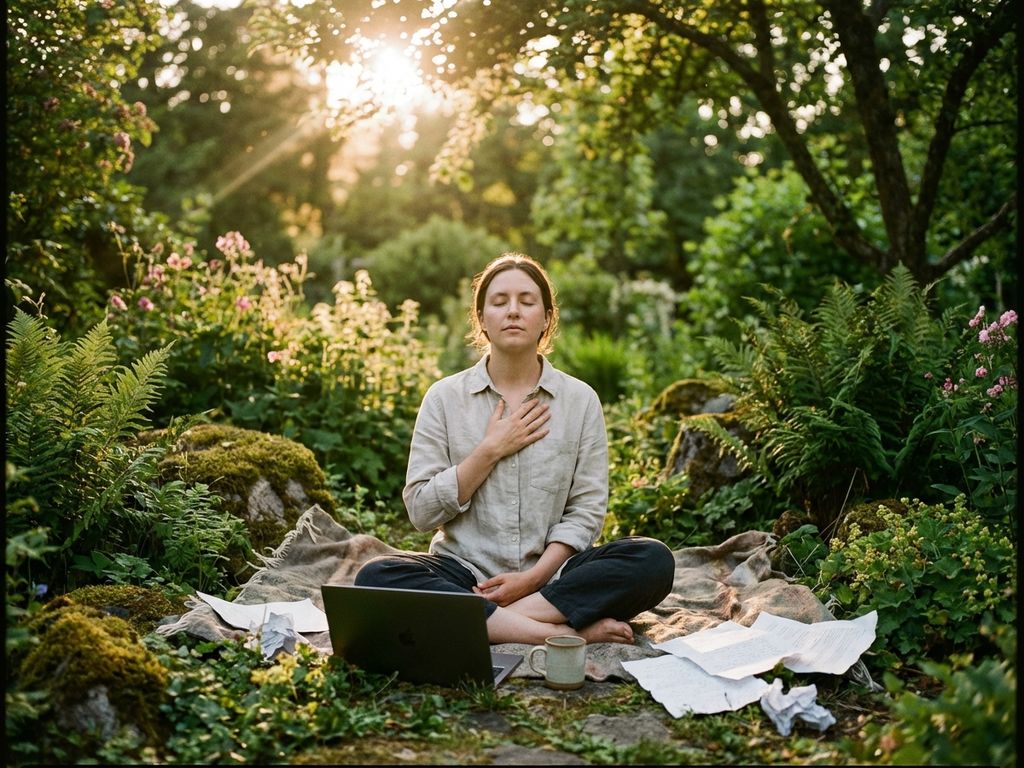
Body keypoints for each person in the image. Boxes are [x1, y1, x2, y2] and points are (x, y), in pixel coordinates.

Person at [355, 253, 675, 645]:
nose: (513, 311)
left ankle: (493, 622)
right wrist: (489, 450)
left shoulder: (580, 400)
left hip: (554, 579)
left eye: (526, 301)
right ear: (481, 318)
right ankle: (562, 632)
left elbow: (587, 510)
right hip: (464, 574)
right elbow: (421, 511)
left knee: (653, 560)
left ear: (546, 318)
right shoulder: (444, 398)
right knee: (375, 577)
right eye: (499, 301)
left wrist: (535, 577)